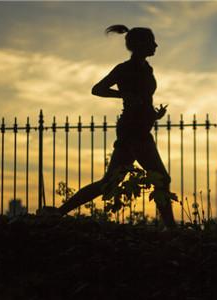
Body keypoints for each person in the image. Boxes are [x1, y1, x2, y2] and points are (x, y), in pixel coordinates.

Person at [45, 25, 176, 227]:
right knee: (161, 179)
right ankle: (173, 230)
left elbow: (144, 100)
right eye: (152, 41)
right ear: (140, 44)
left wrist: (154, 114)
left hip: (140, 128)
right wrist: (122, 94)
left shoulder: (147, 68)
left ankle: (59, 213)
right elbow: (97, 89)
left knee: (109, 183)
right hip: (133, 131)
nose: (156, 45)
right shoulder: (123, 69)